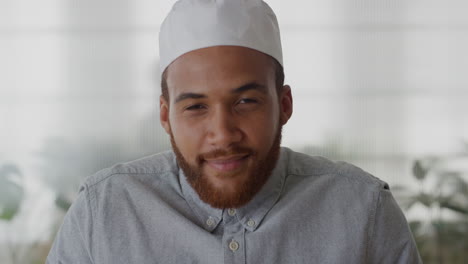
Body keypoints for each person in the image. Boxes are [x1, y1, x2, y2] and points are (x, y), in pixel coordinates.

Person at [47, 0, 422, 263]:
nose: (223, 135)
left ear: (285, 105)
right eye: (195, 107)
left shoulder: (363, 211)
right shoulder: (103, 213)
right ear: (165, 116)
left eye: (245, 102)